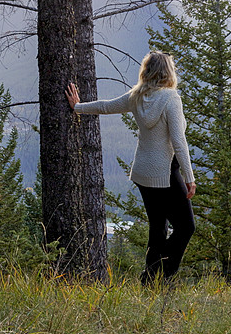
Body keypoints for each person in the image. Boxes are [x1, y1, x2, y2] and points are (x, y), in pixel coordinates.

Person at [65, 51, 196, 284]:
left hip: (143, 173)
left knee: (158, 227)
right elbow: (179, 141)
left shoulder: (137, 95)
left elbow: (106, 106)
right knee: (186, 227)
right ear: (168, 72)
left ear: (146, 71)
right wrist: (189, 177)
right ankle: (161, 275)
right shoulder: (171, 99)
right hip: (165, 172)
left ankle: (150, 279)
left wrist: (78, 107)